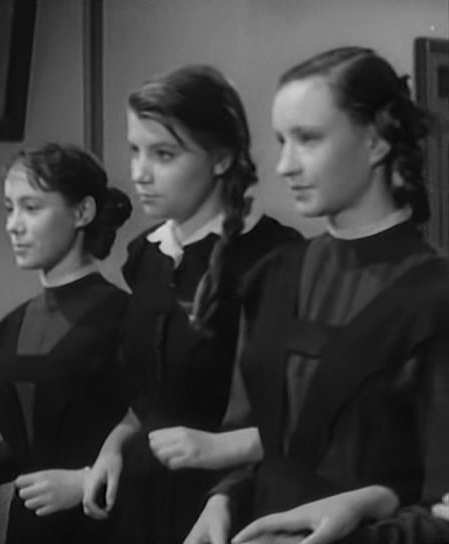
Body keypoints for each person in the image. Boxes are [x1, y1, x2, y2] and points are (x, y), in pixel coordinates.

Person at [185, 46, 449, 544]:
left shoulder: (436, 297)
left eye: (307, 139)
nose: (284, 165)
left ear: (375, 141)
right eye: (281, 141)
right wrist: (225, 499)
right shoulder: (272, 275)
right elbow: (257, 438)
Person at [81, 65, 301, 544]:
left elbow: (302, 414)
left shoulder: (274, 259)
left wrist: (221, 449)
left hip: (228, 502)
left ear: (221, 159)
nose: (139, 173)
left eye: (163, 154)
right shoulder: (145, 256)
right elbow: (146, 396)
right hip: (143, 496)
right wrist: (114, 446)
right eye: (135, 150)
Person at [0, 143, 132, 544]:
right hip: (32, 526)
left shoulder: (123, 316)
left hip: (105, 524)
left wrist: (85, 480)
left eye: (31, 207)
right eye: (10, 208)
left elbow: (158, 430)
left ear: (82, 212)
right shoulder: (20, 322)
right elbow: (33, 440)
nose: (14, 225)